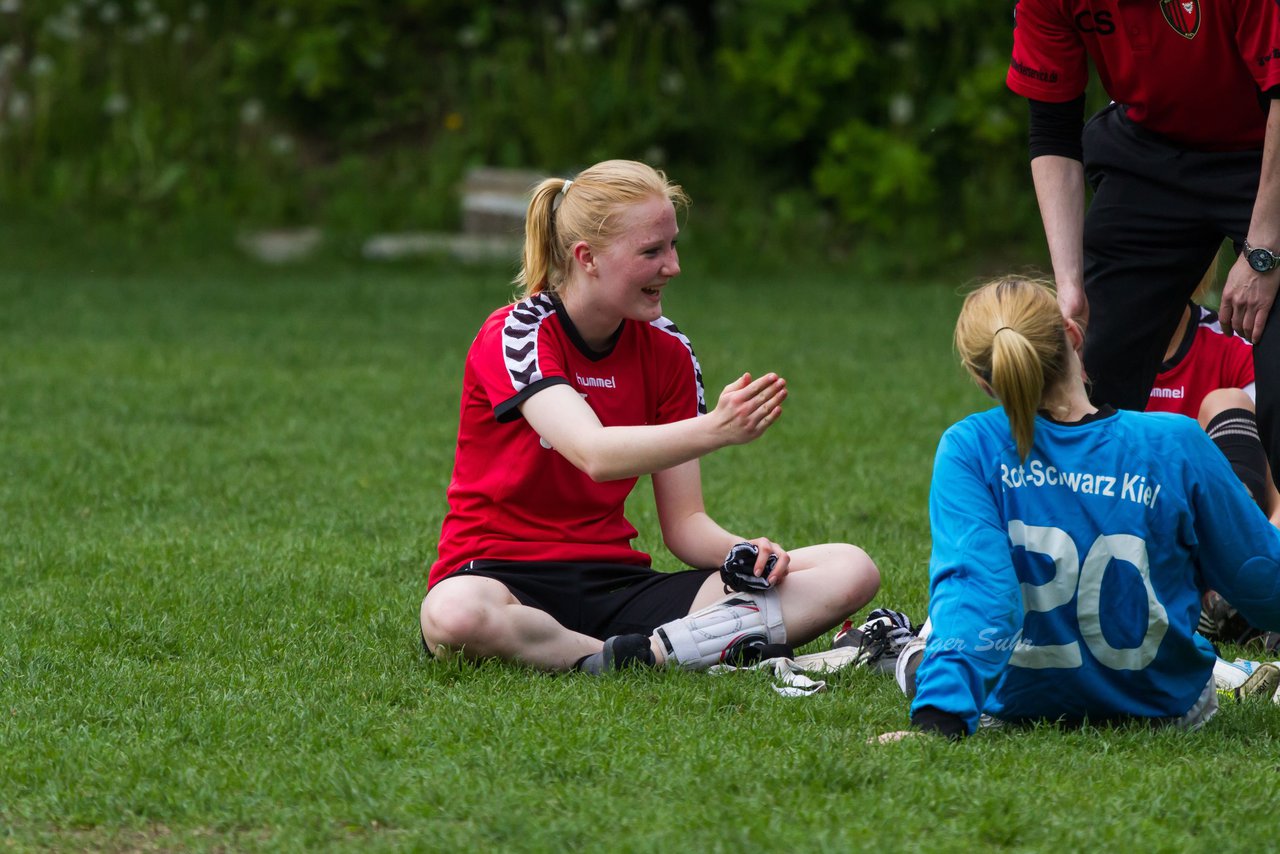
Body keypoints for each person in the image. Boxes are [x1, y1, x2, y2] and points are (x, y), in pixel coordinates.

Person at [419, 159, 879, 673]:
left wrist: (745, 552)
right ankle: (650, 654)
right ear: (587, 257)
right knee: (453, 616)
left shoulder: (669, 350)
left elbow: (685, 526)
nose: (673, 267)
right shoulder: (517, 332)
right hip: (501, 579)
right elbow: (593, 453)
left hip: (616, 586)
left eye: (673, 246)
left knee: (850, 568)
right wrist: (716, 430)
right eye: (651, 251)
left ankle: (635, 657)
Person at [880, 276, 1280, 741]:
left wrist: (938, 721)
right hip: (1166, 707)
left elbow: (978, 594)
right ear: (1073, 336)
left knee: (928, 639)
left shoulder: (970, 447)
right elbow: (1261, 577)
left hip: (1016, 707)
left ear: (984, 381)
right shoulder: (1175, 442)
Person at [1006, 0, 1280, 485]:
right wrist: (1070, 286)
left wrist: (1263, 255)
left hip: (1266, 143)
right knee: (1089, 372)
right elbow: (1052, 128)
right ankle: (1089, 542)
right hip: (1150, 149)